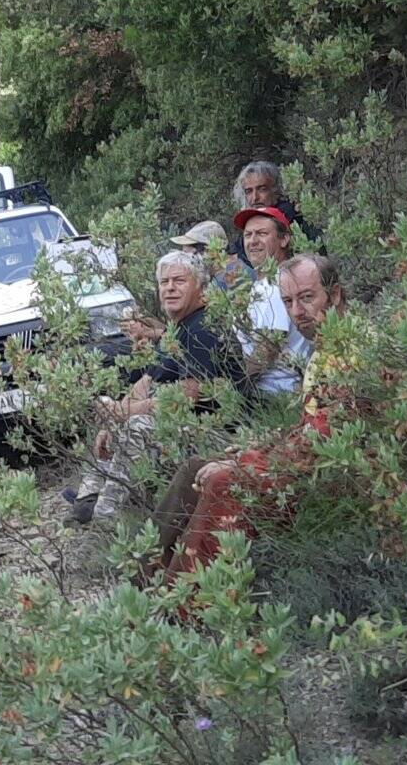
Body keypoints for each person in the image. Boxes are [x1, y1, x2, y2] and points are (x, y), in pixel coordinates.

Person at [149, 254, 346, 578]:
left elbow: (325, 438)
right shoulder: (321, 351)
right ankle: (145, 575)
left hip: (322, 468)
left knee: (220, 479)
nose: (297, 312)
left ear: (334, 295)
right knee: (194, 469)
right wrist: (261, 445)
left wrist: (249, 459)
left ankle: (180, 600)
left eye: (307, 297)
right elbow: (309, 423)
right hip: (299, 448)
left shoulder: (346, 352)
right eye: (289, 301)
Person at [63, 250, 244, 523]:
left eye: (179, 281)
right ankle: (87, 502)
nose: (170, 288)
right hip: (184, 428)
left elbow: (188, 394)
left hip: (217, 434)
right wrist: (113, 415)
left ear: (200, 287)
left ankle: (106, 521)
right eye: (164, 282)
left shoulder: (205, 327)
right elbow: (146, 381)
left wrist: (129, 412)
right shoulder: (177, 329)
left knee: (138, 426)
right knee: (107, 410)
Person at [229, 205, 306, 396]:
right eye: (248, 235)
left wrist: (232, 389)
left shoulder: (277, 282)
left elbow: (268, 347)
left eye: (262, 233)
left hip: (272, 395)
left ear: (284, 239)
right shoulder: (263, 284)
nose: (253, 241)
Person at [228, 161, 318, 265]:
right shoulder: (249, 221)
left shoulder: (293, 218)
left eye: (262, 189)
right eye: (249, 191)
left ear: (275, 189)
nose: (255, 198)